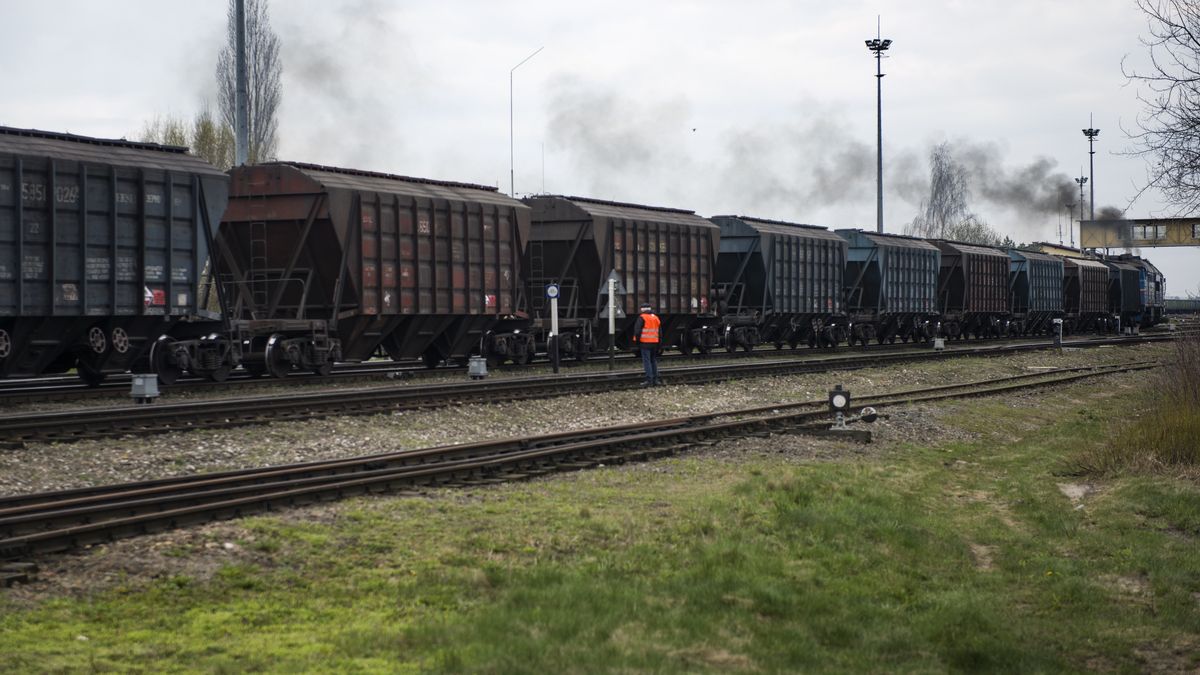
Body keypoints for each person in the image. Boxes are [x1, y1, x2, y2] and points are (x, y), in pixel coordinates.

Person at [631, 302, 663, 386]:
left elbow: (637, 331)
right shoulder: (656, 318)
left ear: (642, 309)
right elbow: (660, 333)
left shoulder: (642, 317)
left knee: (647, 361)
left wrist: (637, 342)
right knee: (653, 361)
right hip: (654, 343)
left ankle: (649, 380)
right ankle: (656, 380)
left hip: (645, 343)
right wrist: (659, 344)